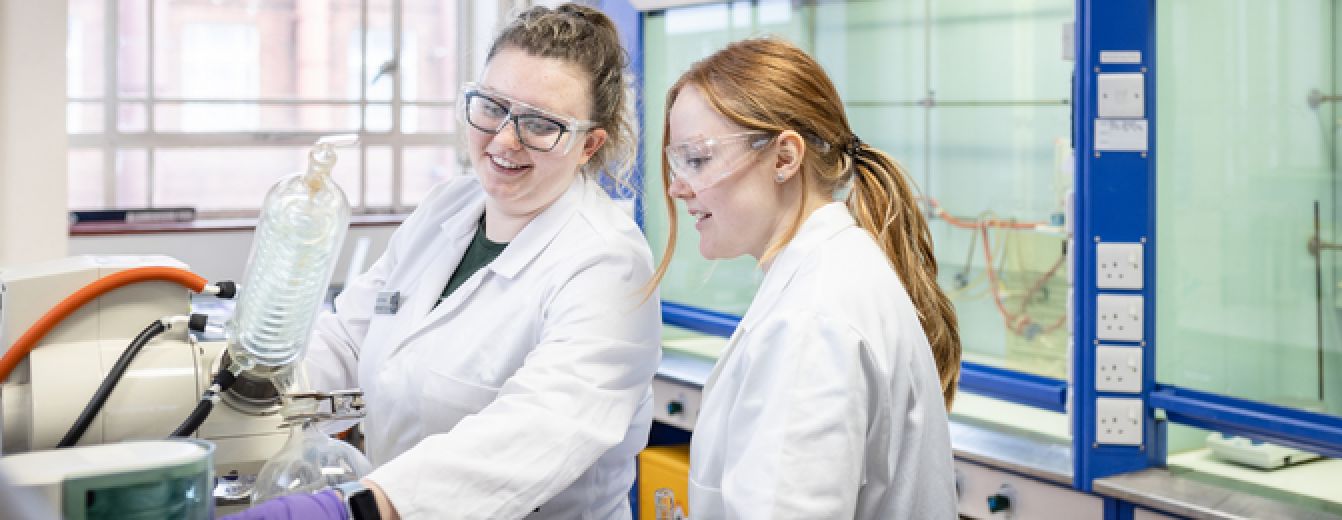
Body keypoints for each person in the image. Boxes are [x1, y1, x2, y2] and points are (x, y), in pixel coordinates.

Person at [228, 4, 659, 519]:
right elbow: (345, 338)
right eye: (492, 107)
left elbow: (538, 429)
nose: (503, 140)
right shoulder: (447, 208)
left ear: (588, 145)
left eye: (541, 125)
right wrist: (244, 399)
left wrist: (359, 508)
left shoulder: (609, 263)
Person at [650, 37, 961, 518]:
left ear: (784, 158)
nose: (676, 186)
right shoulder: (831, 275)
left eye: (697, 158)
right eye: (678, 161)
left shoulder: (811, 321)